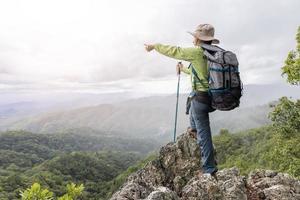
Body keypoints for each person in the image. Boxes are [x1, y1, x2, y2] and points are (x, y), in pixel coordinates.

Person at [144, 24, 218, 176]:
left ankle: (209, 169)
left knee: (204, 134)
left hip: (200, 98)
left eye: (194, 37)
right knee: (193, 108)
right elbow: (196, 72)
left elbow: (175, 51)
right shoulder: (212, 53)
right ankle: (193, 129)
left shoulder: (197, 52)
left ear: (199, 39)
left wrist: (154, 46)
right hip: (210, 97)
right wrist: (183, 69)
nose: (193, 40)